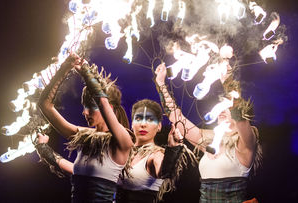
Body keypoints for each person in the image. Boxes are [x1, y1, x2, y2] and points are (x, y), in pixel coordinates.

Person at [36, 99, 196, 203]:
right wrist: (45, 150)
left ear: (159, 126)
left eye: (150, 119)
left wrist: (174, 148)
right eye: (139, 118)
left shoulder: (157, 155)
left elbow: (165, 172)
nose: (143, 124)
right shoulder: (119, 151)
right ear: (132, 123)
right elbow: (79, 172)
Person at [154, 62, 262, 203]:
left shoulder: (246, 146)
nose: (222, 109)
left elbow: (240, 114)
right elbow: (176, 118)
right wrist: (161, 83)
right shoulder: (210, 143)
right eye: (220, 107)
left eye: (226, 107)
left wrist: (227, 81)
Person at [37, 53, 134, 202]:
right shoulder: (84, 137)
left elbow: (102, 102)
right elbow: (44, 105)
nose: (85, 112)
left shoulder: (123, 141)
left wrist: (85, 70)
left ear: (111, 108)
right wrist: (64, 69)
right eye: (84, 106)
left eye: (90, 106)